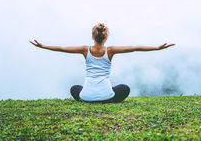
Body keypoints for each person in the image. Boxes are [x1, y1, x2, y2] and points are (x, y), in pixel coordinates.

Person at [29, 23, 175, 103]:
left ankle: (91, 97)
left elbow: (62, 49)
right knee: (124, 88)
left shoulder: (84, 50)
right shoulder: (110, 50)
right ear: (105, 37)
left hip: (86, 97)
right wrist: (157, 48)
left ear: (93, 36)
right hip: (107, 96)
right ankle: (105, 96)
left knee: (74, 88)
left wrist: (43, 46)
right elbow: (135, 48)